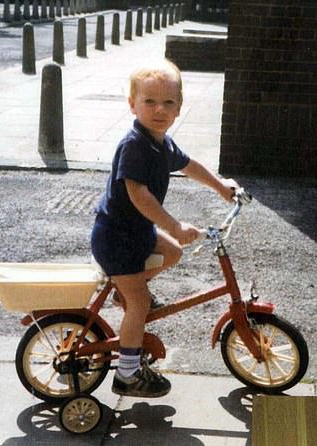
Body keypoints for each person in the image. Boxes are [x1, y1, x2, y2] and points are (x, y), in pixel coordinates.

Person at [90, 59, 238, 398]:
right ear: (132, 105)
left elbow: (190, 166)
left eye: (168, 103)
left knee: (172, 251)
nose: (159, 109)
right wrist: (173, 223)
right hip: (116, 238)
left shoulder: (161, 142)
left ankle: (125, 291)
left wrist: (220, 186)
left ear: (179, 108)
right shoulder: (135, 145)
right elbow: (138, 195)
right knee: (140, 305)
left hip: (135, 232)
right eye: (149, 101)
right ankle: (126, 374)